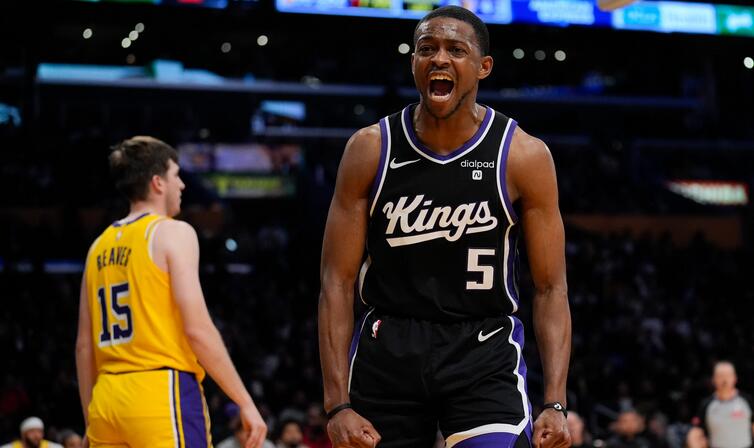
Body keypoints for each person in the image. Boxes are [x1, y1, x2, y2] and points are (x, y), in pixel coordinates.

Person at [319, 6, 571, 448]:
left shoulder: (523, 155)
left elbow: (551, 288)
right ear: (413, 62)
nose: (439, 58)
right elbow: (335, 281)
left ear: (483, 66)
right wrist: (336, 404)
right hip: (388, 349)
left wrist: (554, 400)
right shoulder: (370, 149)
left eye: (455, 49)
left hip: (483, 348)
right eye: (427, 48)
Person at [75, 136, 267, 447]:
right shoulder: (172, 232)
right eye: (176, 175)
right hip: (160, 391)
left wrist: (90, 418)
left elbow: (84, 347)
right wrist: (244, 401)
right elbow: (197, 329)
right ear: (158, 183)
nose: (182, 185)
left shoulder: (98, 246)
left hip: (106, 400)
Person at [692, 361, 753, 448]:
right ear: (713, 379)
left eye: (728, 375)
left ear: (735, 378)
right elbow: (696, 433)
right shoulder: (706, 404)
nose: (724, 380)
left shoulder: (747, 400)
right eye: (721, 376)